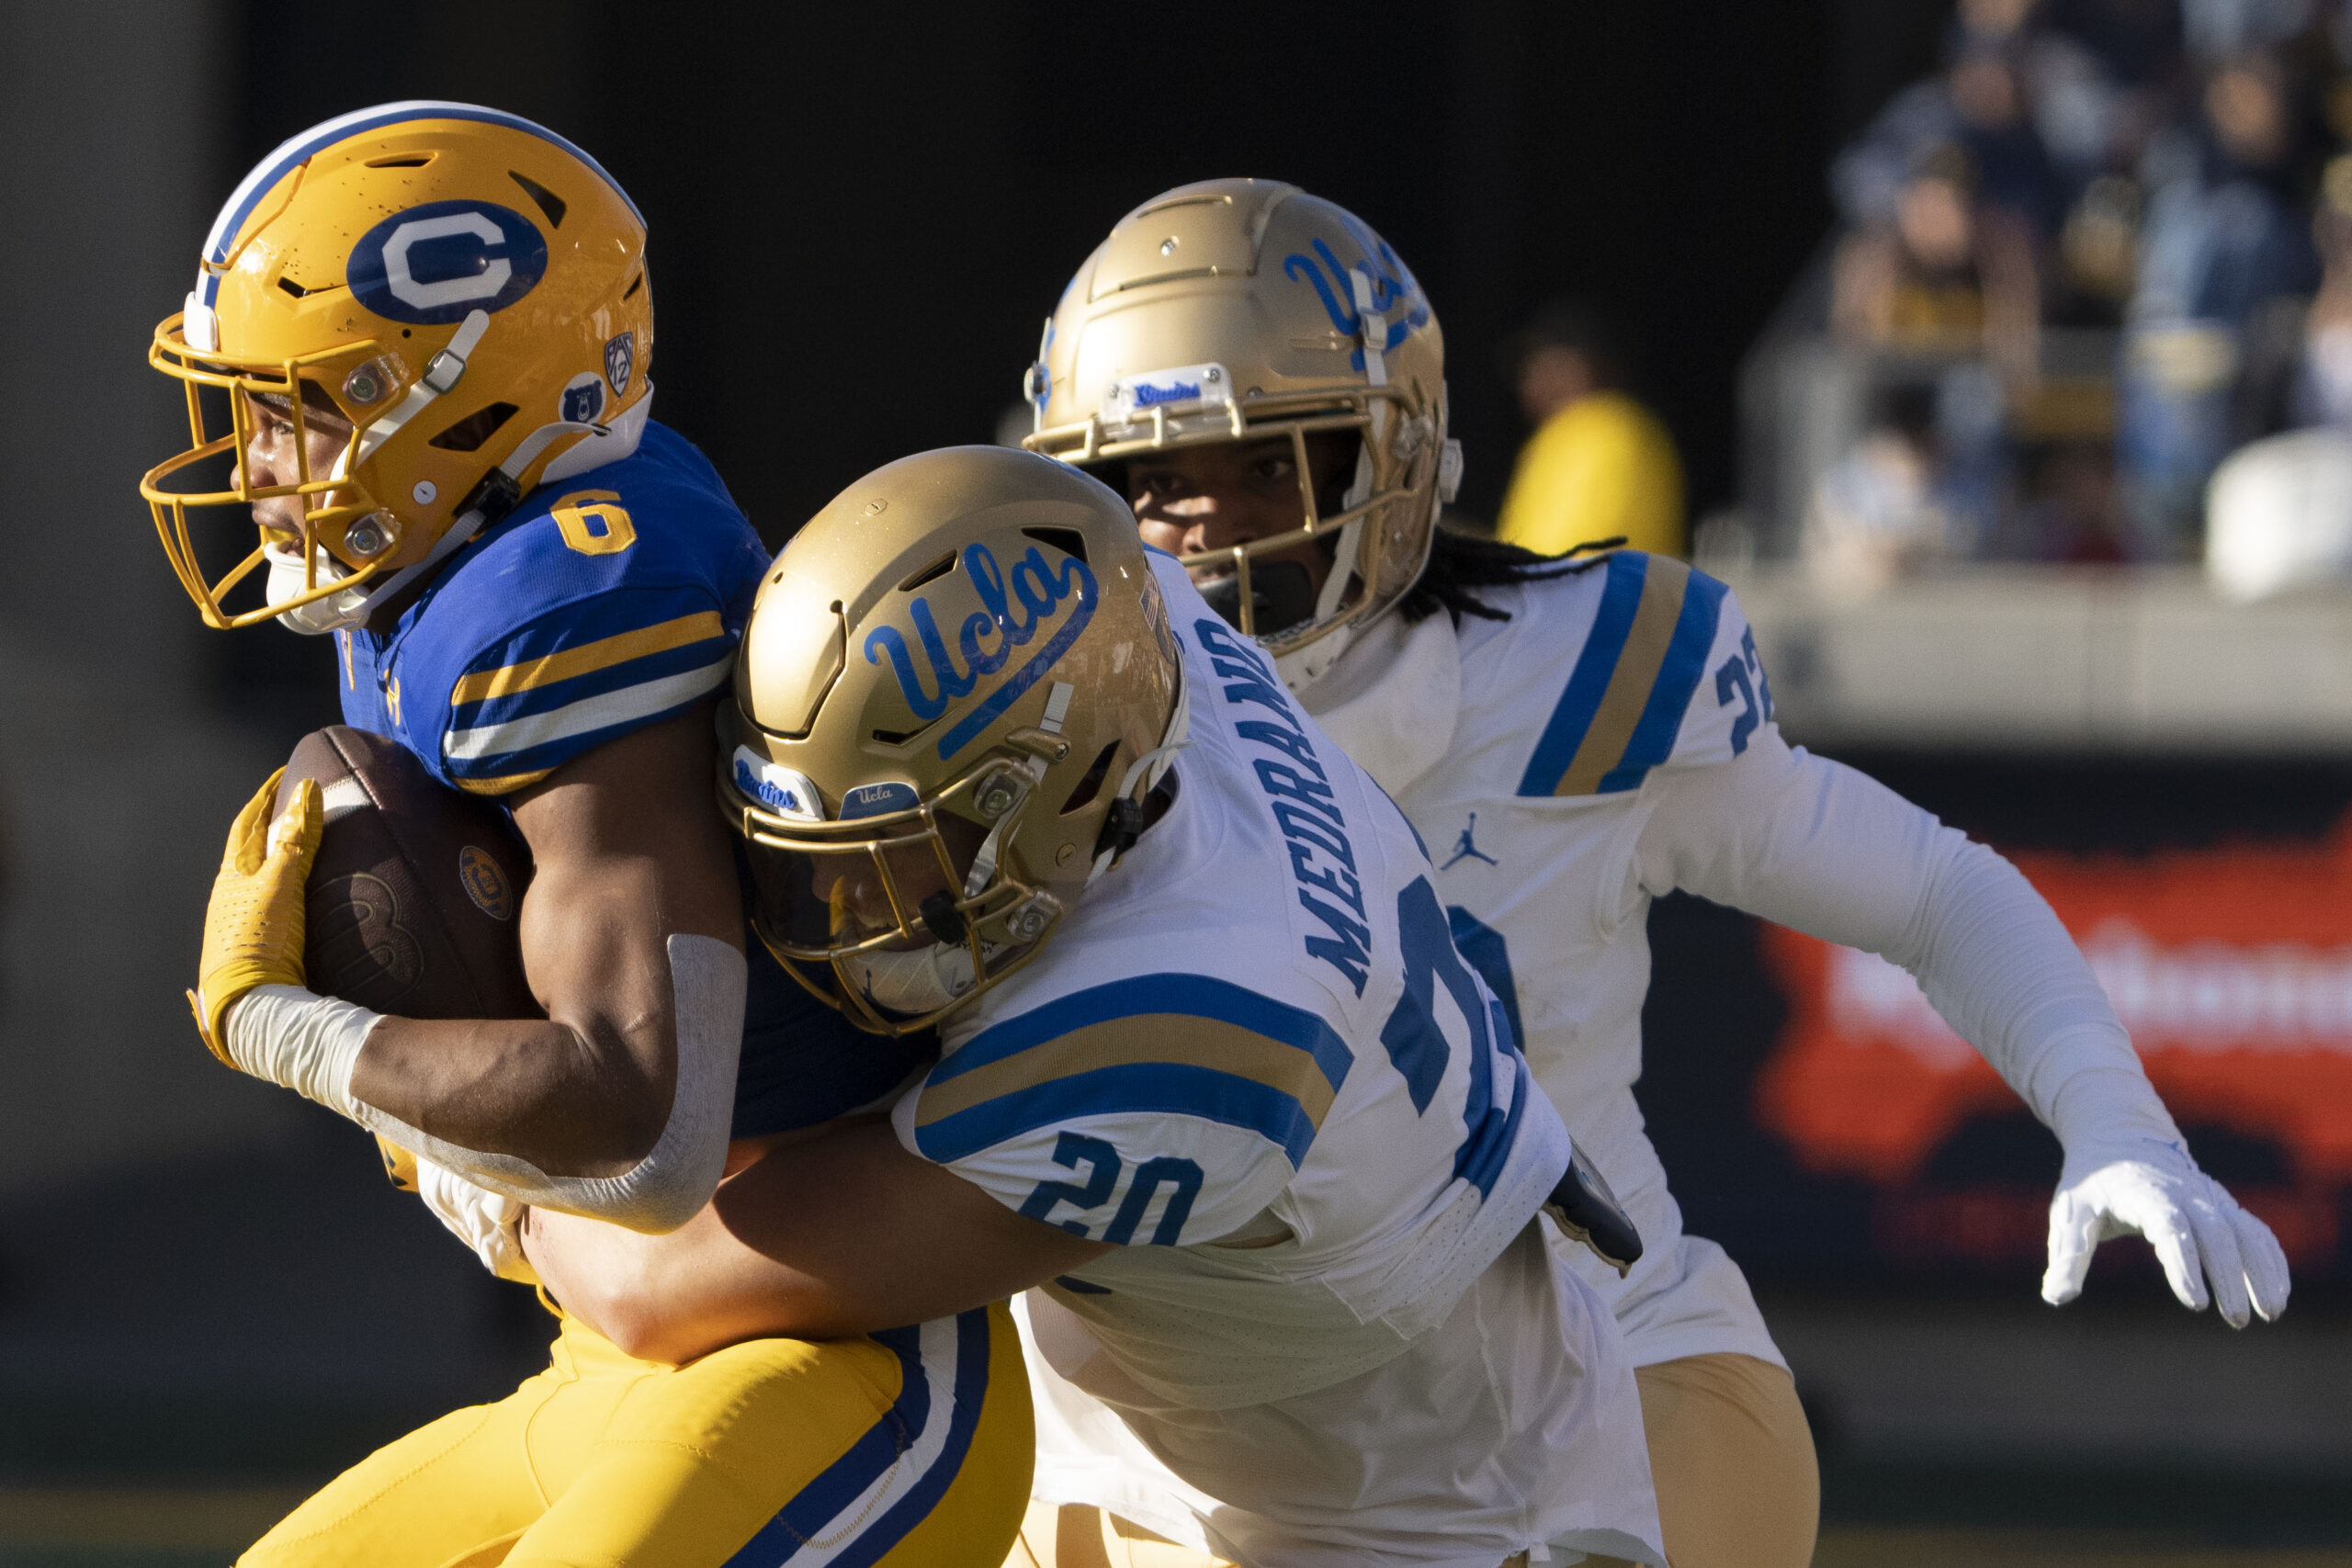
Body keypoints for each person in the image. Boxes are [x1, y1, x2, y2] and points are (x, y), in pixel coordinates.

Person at [1016, 177, 2295, 1568]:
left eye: (1269, 464)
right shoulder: (1025, 728)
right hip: (1158, 1459)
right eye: (1152, 484)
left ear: (1394, 460)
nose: (1202, 532)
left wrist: (2115, 1117)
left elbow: (1933, 887)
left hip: (1589, 1390)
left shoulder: (1563, 686)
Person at [515, 445, 1672, 1568]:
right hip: (1188, 1423)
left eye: (900, 850)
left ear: (1060, 798)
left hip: (1413, 1515)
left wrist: (441, 1107)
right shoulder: (1122, 642)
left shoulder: (1178, 1022)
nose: (831, 907)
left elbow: (652, 1287)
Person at [142, 102, 1024, 1565]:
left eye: (307, 402)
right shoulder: (461, 551)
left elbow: (646, 1122)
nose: (256, 467)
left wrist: (281, 1028)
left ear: (469, 395)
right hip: (613, 1355)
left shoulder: (565, 599)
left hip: (828, 1360)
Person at [1492, 300, 1685, 559]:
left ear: (1601, 364)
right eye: (1531, 364)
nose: (1534, 377)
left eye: (1554, 362)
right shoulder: (1618, 430)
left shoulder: (1606, 428)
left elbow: (1558, 564)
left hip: (1584, 596)